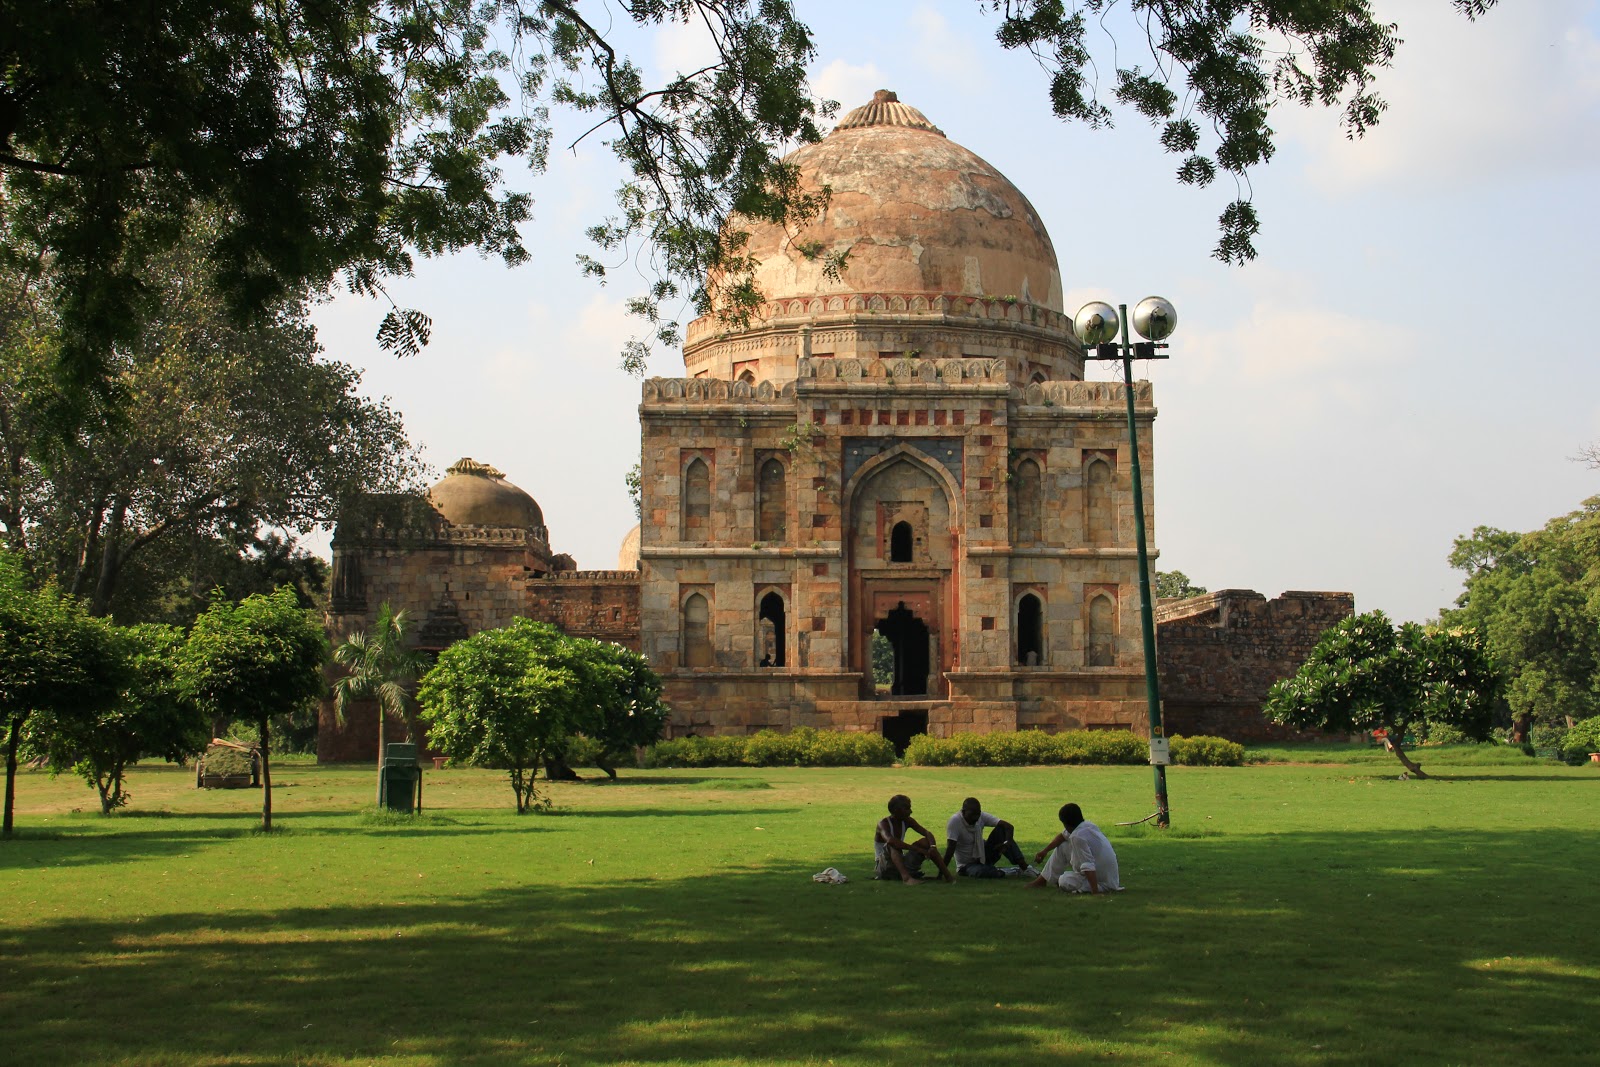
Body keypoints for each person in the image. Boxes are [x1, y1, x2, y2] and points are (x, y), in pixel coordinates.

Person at [1027, 802, 1122, 893]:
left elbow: (1088, 865)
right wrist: (1045, 851)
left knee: (1064, 880)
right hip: (1109, 877)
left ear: (1066, 823)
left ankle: (1094, 887)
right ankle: (1042, 880)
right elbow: (1062, 836)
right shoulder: (1088, 825)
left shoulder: (1077, 837)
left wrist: (1095, 892)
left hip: (1103, 883)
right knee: (1063, 846)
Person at [941, 796, 1039, 879]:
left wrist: (1007, 843)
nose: (975, 818)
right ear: (963, 811)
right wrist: (942, 873)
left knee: (1001, 830)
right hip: (967, 865)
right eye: (972, 815)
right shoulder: (955, 822)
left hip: (984, 856)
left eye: (977, 814)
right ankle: (1008, 871)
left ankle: (1025, 867)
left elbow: (1008, 826)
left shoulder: (980, 817)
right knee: (981, 872)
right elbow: (950, 849)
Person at [874, 794, 953, 883]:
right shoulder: (883, 824)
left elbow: (927, 833)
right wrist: (917, 849)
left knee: (925, 842)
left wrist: (932, 847)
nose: (911, 811)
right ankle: (907, 879)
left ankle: (947, 877)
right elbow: (891, 841)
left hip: (900, 862)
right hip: (885, 867)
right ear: (897, 810)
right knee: (892, 845)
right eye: (907, 808)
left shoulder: (907, 820)